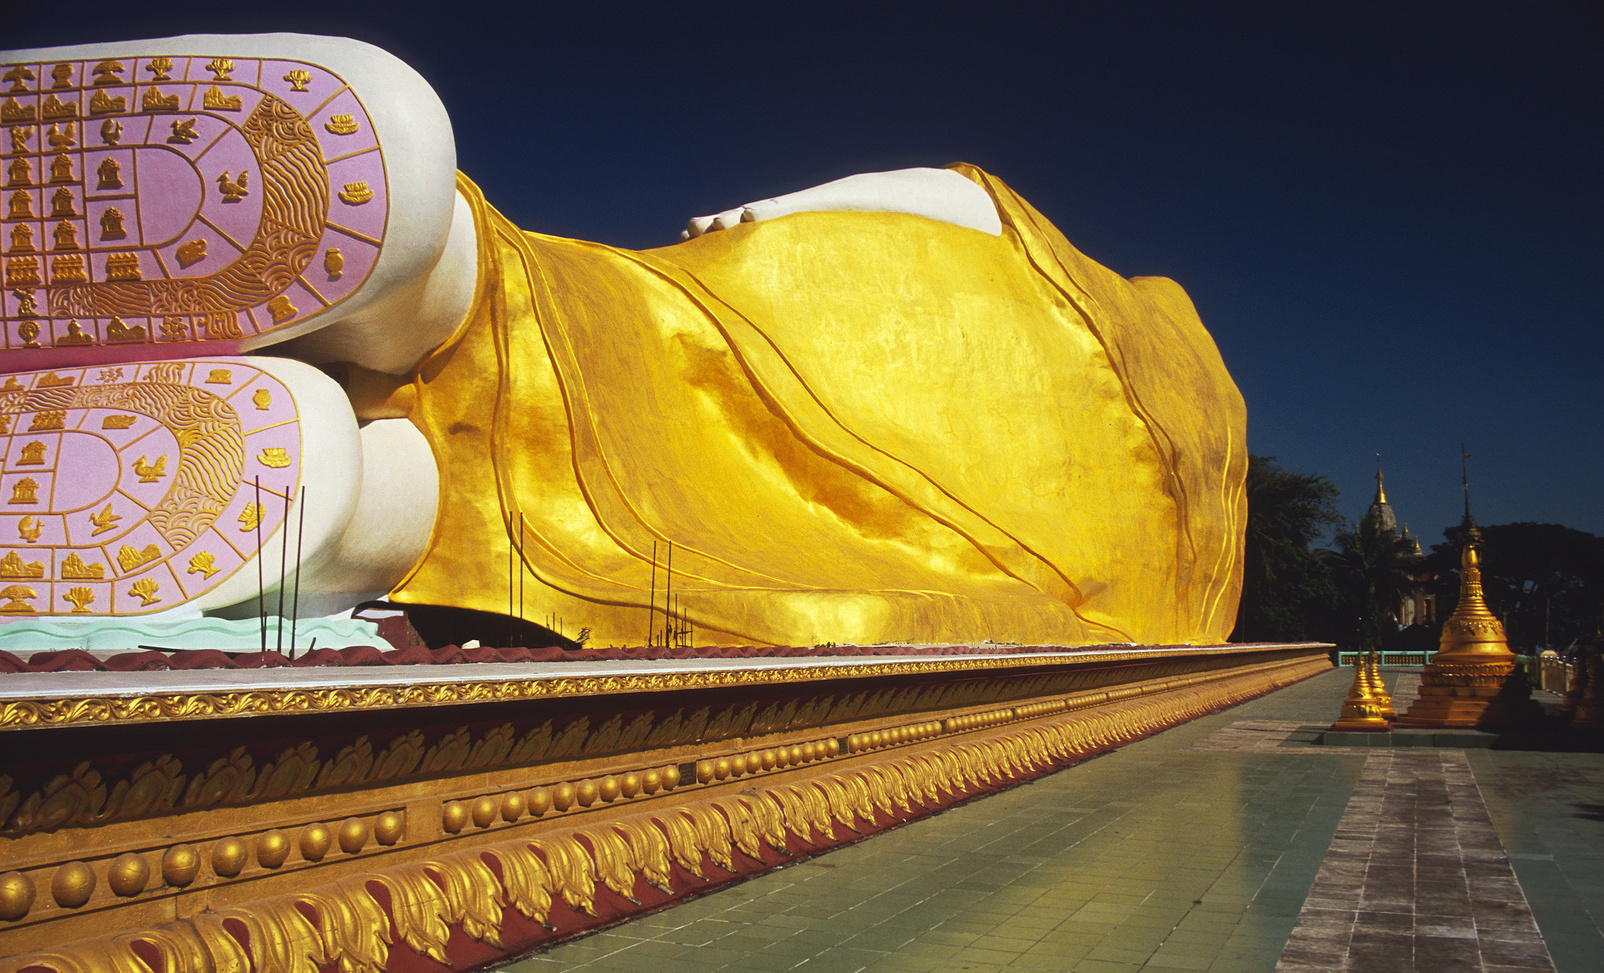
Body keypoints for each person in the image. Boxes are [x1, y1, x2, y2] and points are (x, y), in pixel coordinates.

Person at [0, 34, 1245, 646]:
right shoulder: (1144, 428)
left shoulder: (1055, 287)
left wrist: (768, 219)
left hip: (671, 327)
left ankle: (431, 283)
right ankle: (372, 480)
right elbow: (956, 197)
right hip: (950, 506)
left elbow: (949, 191)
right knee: (537, 426)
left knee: (590, 326)